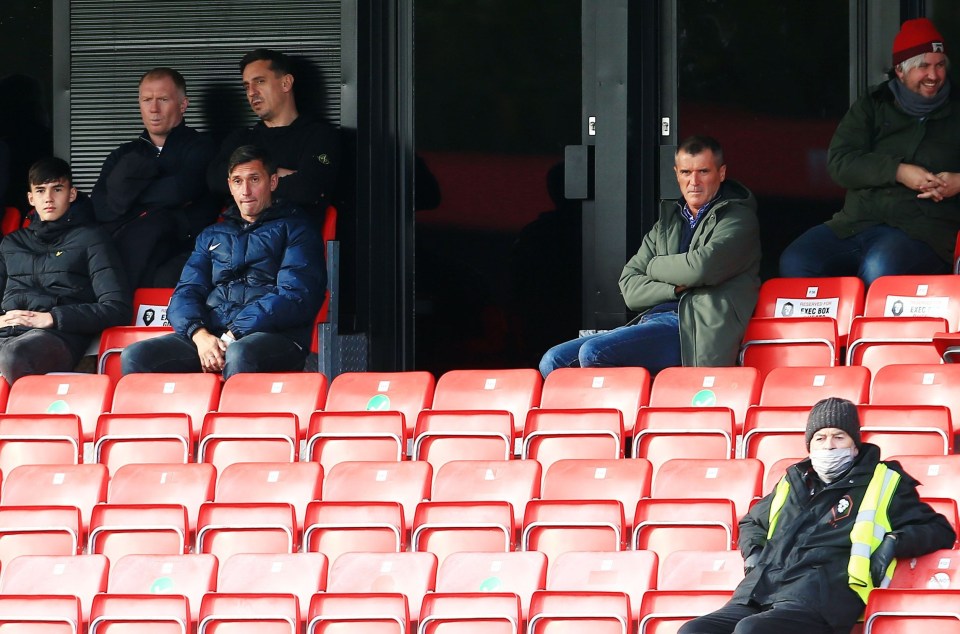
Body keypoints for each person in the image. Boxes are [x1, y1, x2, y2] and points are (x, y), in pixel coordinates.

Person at [681, 397, 955, 634]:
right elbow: (752, 522)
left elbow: (940, 529)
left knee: (752, 630)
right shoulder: (793, 481)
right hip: (762, 587)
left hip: (824, 595)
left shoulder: (883, 481)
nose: (829, 447)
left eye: (839, 437)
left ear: (855, 443)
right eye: (820, 438)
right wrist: (754, 554)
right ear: (810, 446)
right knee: (694, 630)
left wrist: (894, 540)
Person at [538, 135, 761, 377]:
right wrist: (674, 289)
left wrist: (653, 266)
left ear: (721, 173)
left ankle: (628, 415)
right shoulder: (667, 223)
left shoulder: (739, 218)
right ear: (676, 174)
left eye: (703, 172)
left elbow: (700, 268)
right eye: (686, 172)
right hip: (652, 321)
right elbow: (630, 288)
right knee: (552, 361)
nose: (693, 181)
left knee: (594, 353)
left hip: (694, 328)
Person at [780, 18, 960, 286]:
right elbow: (840, 162)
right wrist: (898, 171)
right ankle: (831, 330)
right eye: (923, 66)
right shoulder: (873, 104)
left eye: (940, 65)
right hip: (856, 223)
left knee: (879, 267)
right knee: (797, 261)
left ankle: (866, 329)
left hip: (924, 231)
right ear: (900, 70)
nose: (934, 76)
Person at [120, 145, 327, 378]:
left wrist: (235, 333)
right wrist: (200, 335)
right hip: (214, 337)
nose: (246, 190)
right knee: (136, 356)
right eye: (238, 181)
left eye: (254, 179)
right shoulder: (212, 235)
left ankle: (232, 416)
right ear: (230, 185)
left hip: (277, 337)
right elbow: (186, 292)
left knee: (239, 353)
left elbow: (294, 294)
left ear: (273, 182)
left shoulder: (298, 230)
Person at [0, 157, 131, 382]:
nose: (48, 198)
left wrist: (52, 318)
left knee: (14, 355)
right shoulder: (11, 243)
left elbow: (116, 308)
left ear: (71, 194)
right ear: (31, 198)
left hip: (57, 336)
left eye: (57, 189)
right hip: (7, 332)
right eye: (40, 191)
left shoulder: (92, 238)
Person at [92, 67, 219, 290]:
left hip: (182, 248)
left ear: (183, 104)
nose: (154, 108)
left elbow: (180, 190)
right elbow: (101, 207)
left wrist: (127, 193)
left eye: (163, 99)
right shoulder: (122, 154)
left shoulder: (202, 147)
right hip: (124, 249)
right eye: (146, 99)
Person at [206, 48, 340, 216]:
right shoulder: (241, 138)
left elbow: (308, 189)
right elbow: (215, 180)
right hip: (242, 236)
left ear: (286, 83)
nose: (251, 92)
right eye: (247, 86)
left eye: (260, 81)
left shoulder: (318, 135)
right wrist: (278, 173)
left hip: (292, 237)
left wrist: (245, 178)